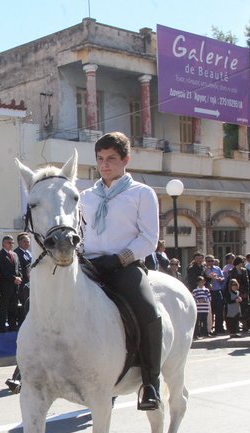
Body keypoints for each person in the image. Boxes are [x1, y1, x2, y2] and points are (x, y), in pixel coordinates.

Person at [80, 132, 162, 410]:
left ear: (126, 160)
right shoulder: (86, 196)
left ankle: (150, 384)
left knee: (148, 312)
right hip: (90, 265)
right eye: (100, 159)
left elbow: (149, 238)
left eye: (111, 158)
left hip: (124, 266)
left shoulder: (141, 193)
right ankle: (27, 366)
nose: (105, 164)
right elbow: (81, 233)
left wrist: (119, 259)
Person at [0, 235, 22, 331]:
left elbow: (19, 268)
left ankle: (12, 326)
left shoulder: (15, 254)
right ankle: (2, 327)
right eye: (9, 243)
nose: (11, 244)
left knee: (13, 307)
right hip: (5, 286)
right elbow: (2, 271)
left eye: (12, 243)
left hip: (15, 286)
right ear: (4, 243)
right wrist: (14, 278)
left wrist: (20, 277)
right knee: (4, 308)